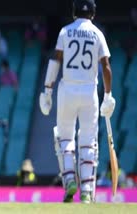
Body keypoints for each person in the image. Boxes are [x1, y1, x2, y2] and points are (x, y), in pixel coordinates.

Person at [39, 0, 116, 203]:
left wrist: (47, 90)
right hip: (89, 90)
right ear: (93, 12)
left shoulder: (65, 31)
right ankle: (88, 191)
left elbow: (56, 59)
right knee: (88, 141)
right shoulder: (97, 33)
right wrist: (108, 95)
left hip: (67, 90)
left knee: (65, 138)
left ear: (74, 12)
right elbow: (106, 66)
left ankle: (70, 180)